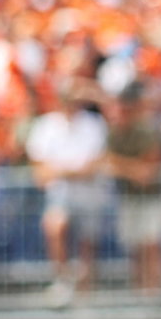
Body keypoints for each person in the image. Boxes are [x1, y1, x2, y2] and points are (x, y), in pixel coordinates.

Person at [25, 80, 109, 303]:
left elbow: (93, 166)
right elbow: (40, 173)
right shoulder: (45, 126)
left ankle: (86, 288)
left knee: (88, 240)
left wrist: (61, 170)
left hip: (90, 193)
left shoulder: (93, 124)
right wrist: (73, 170)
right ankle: (62, 280)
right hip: (60, 194)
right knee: (55, 225)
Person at [103, 82, 161, 294]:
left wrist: (119, 165)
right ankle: (140, 291)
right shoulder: (114, 134)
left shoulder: (146, 131)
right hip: (129, 197)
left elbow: (147, 173)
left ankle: (154, 291)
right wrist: (130, 168)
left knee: (152, 244)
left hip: (152, 198)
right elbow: (106, 164)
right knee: (134, 246)